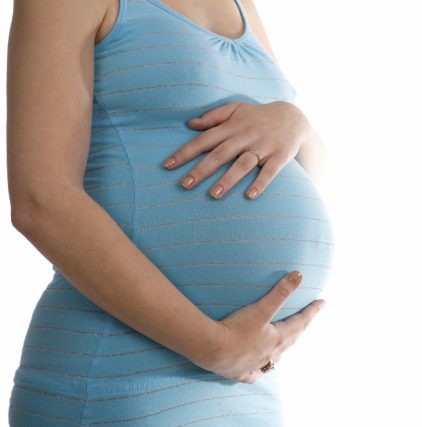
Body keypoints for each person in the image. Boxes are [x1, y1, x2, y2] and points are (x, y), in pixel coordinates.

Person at [6, 0, 335, 425]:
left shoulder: (241, 6)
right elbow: (41, 200)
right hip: (119, 377)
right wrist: (215, 347)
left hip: (245, 381)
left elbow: (306, 177)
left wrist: (294, 122)